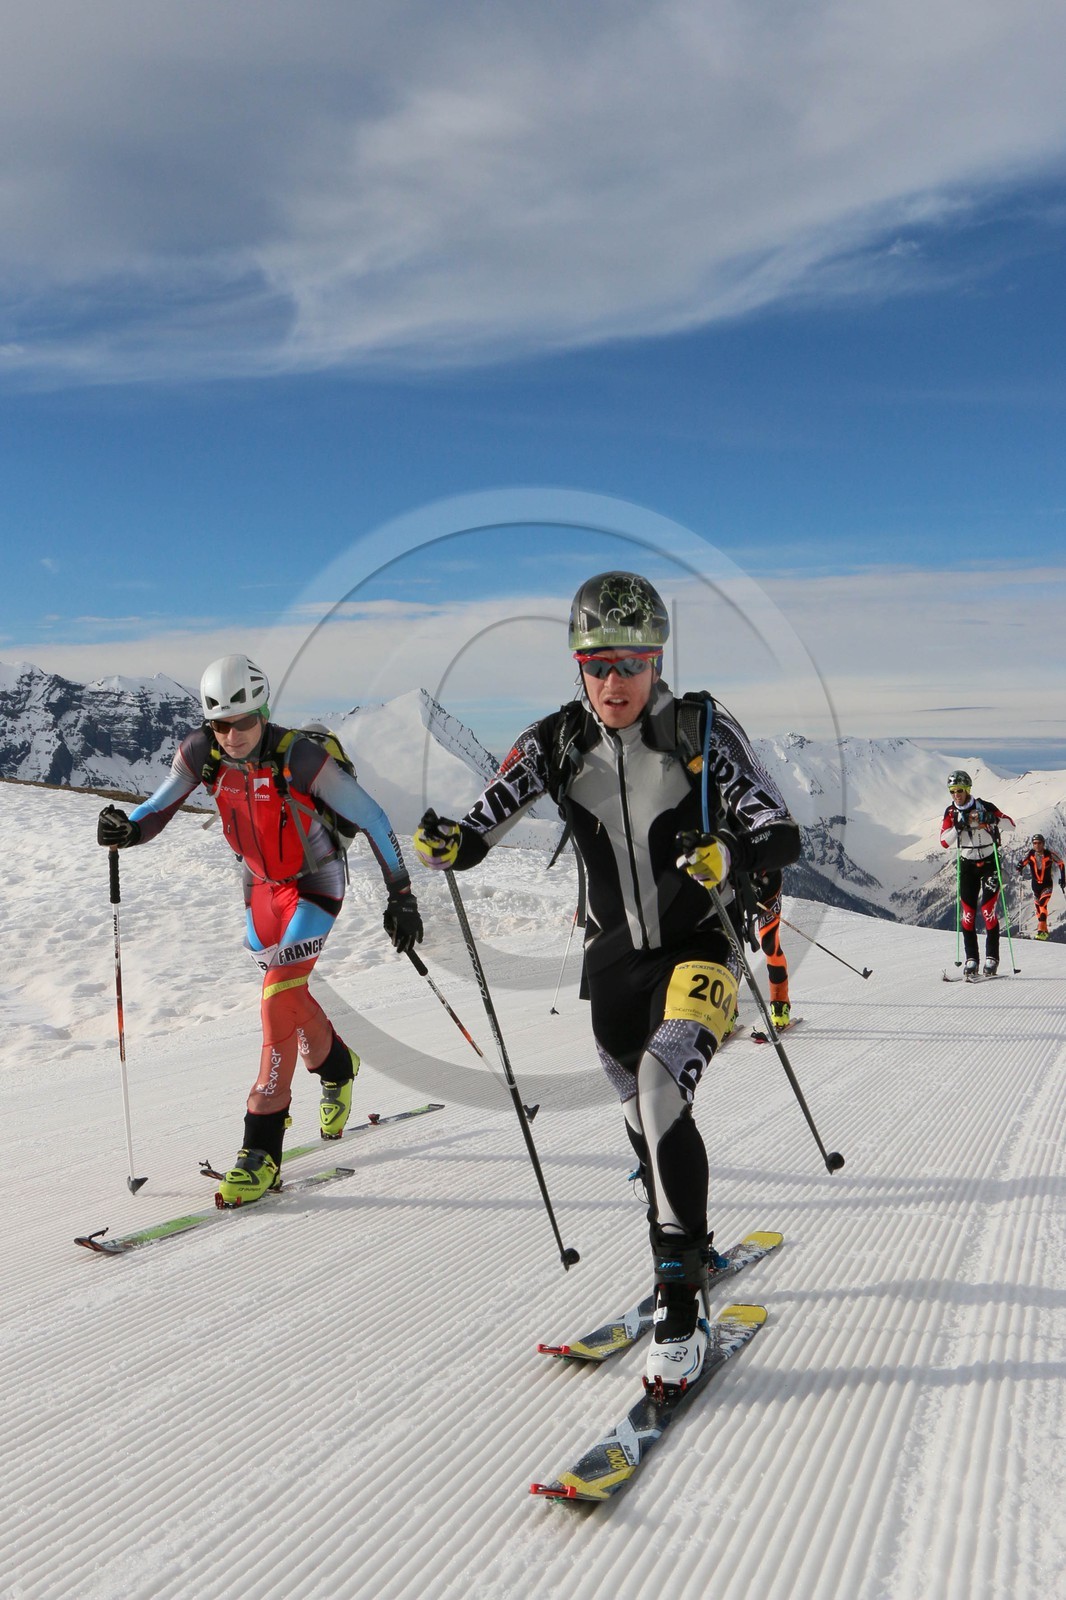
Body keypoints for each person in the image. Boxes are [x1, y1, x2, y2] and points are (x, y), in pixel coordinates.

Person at [412, 572, 800, 1395]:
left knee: (662, 1090)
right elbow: (483, 823)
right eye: (597, 664)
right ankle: (684, 1240)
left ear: (658, 659)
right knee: (642, 1120)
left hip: (700, 947)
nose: (614, 681)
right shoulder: (554, 740)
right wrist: (449, 841)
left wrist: (731, 854)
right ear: (578, 666)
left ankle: (679, 1307)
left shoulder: (697, 727)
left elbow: (776, 830)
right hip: (611, 967)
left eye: (630, 662)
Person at [96, 654, 422, 1206]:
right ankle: (339, 1067)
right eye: (220, 724)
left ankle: (260, 1148)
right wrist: (126, 828)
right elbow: (157, 808)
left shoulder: (298, 755)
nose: (232, 735)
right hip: (260, 887)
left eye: (244, 722)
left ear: (263, 713)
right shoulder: (200, 753)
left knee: (276, 997)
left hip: (316, 882)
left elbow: (375, 818)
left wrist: (403, 896)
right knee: (287, 994)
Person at [939, 770, 1014, 976]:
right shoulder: (951, 813)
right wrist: (958, 825)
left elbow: (1011, 825)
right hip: (967, 865)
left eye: (960, 790)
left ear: (968, 789)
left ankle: (992, 959)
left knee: (989, 911)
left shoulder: (984, 806)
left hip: (990, 862)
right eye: (952, 791)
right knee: (968, 915)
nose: (956, 794)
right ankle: (971, 958)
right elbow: (944, 841)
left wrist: (992, 818)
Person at [753, 868, 791, 1027]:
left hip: (767, 881)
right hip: (730, 886)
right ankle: (727, 1011)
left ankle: (780, 1002)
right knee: (730, 945)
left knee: (769, 945)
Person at [1016, 834, 1064, 941]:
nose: (1037, 845)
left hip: (1047, 885)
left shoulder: (1049, 854)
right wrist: (1019, 867)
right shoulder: (1030, 855)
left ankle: (1041, 931)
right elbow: (1022, 863)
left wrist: (1063, 879)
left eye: (1039, 843)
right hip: (1035, 886)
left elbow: (1060, 863)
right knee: (1039, 910)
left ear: (1043, 844)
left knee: (1043, 905)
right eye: (1035, 843)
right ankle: (1045, 931)